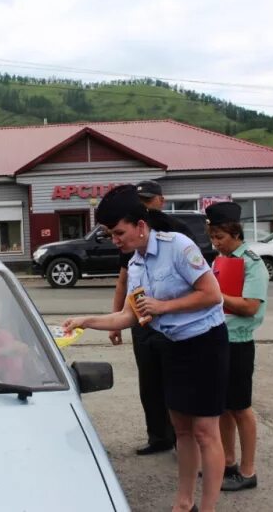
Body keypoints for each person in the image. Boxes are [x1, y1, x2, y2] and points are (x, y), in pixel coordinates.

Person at [64, 184, 228, 512]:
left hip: (205, 344)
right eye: (110, 234)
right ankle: (184, 503)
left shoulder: (178, 246)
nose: (115, 240)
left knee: (205, 431)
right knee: (181, 428)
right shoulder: (136, 264)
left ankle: (207, 508)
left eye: (119, 232)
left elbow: (213, 295)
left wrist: (163, 308)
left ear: (140, 226)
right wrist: (86, 320)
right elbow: (128, 315)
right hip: (172, 347)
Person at [110, 179, 195, 456]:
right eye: (140, 201)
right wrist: (116, 319)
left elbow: (200, 285)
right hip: (142, 320)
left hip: (174, 322)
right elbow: (124, 279)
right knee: (150, 382)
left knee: (175, 383)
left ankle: (182, 441)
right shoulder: (130, 233)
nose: (145, 206)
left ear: (161, 200)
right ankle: (160, 437)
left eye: (148, 200)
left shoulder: (178, 232)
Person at [207, 201, 268, 492]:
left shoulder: (252, 263)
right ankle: (228, 462)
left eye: (220, 237)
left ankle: (248, 470)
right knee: (222, 409)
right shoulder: (218, 261)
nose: (216, 243)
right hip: (217, 339)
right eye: (212, 238)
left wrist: (215, 294)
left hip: (240, 343)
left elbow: (250, 306)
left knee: (241, 408)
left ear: (235, 233)